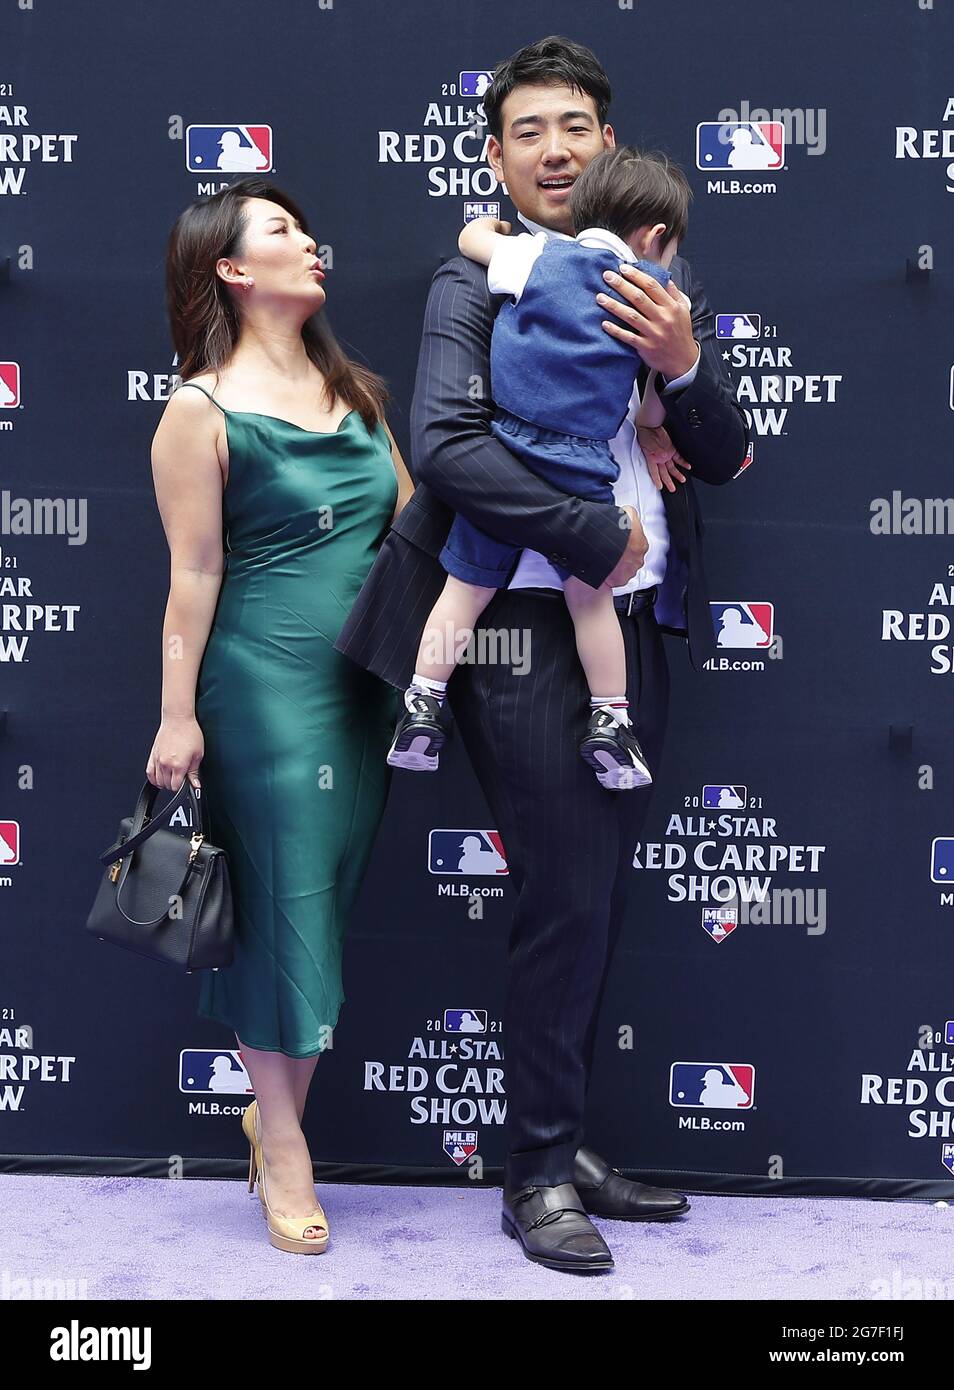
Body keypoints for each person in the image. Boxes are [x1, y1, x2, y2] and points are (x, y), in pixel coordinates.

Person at [335, 35, 751, 1274]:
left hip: (633, 632)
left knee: (591, 902)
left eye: (575, 125)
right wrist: (601, 538)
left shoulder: (656, 275)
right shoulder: (471, 284)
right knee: (564, 898)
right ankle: (535, 1173)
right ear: (499, 154)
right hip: (517, 628)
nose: (556, 148)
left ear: (606, 143)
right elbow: (452, 447)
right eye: (529, 130)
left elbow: (719, 452)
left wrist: (683, 365)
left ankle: (561, 1146)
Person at [147, 176, 413, 1255]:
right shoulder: (197, 409)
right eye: (282, 231)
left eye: (308, 227)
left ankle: (274, 1114)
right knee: (290, 904)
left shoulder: (356, 395)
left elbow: (412, 526)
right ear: (230, 267)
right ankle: (287, 1148)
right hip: (260, 688)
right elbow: (192, 574)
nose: (311, 244)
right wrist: (176, 714)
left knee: (320, 904)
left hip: (364, 691)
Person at [387, 146, 693, 791]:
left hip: (509, 453)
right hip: (582, 467)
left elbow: (472, 238)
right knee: (591, 602)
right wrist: (652, 426)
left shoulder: (536, 257)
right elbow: (656, 395)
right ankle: (610, 720)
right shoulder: (657, 295)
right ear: (656, 237)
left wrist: (489, 232)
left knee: (462, 594)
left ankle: (422, 702)